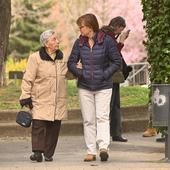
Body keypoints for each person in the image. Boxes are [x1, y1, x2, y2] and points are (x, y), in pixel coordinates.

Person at [67, 13, 121, 162]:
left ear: (90, 26)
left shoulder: (107, 41)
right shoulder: (79, 42)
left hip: (104, 85)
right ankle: (91, 151)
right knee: (88, 120)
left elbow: (117, 61)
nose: (80, 30)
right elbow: (71, 62)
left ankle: (103, 147)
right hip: (85, 86)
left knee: (102, 117)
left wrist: (105, 74)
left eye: (81, 27)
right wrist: (81, 73)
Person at [19, 29, 67, 162]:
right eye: (54, 39)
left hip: (58, 98)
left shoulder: (62, 57)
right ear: (46, 43)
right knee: (39, 125)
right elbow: (28, 78)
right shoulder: (35, 58)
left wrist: (79, 69)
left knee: (54, 126)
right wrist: (25, 96)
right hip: (40, 97)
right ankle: (37, 152)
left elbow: (70, 73)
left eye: (56, 39)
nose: (57, 41)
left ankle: (48, 153)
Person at [101, 16, 132, 142]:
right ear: (118, 26)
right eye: (121, 29)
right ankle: (109, 134)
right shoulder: (106, 37)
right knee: (110, 105)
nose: (120, 32)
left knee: (114, 105)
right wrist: (121, 42)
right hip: (108, 75)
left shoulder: (107, 36)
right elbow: (112, 54)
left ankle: (115, 133)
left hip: (112, 74)